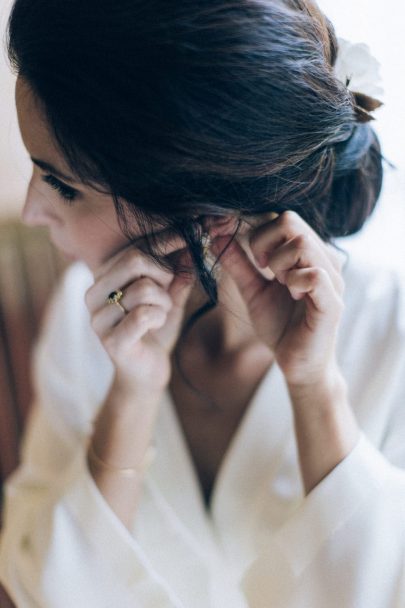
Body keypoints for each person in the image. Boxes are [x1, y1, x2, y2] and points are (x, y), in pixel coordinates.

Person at [1, 0, 405, 606]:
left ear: (202, 213)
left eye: (62, 184)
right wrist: (131, 397)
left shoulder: (391, 334)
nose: (32, 212)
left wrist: (314, 388)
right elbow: (36, 588)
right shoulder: (81, 319)